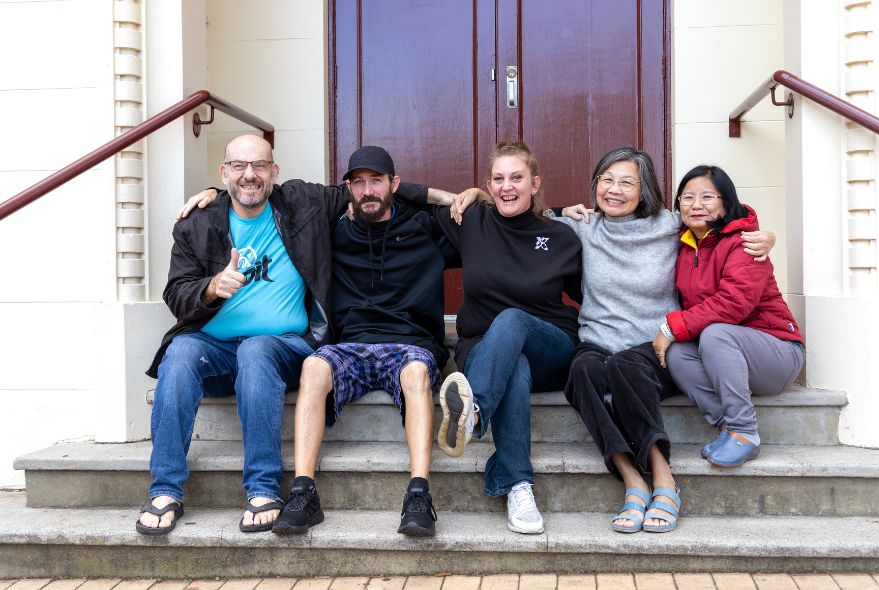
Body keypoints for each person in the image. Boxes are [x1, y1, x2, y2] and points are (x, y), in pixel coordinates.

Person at [142, 136, 444, 535]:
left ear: (274, 171)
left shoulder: (303, 203)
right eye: (239, 167)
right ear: (224, 172)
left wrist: (449, 196)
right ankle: (165, 490)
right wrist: (211, 287)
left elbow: (370, 190)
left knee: (256, 349)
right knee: (178, 353)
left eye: (259, 166)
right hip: (213, 346)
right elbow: (176, 294)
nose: (249, 175)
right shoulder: (197, 223)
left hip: (283, 346)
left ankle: (263, 489)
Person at [552, 147, 775, 534]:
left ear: (645, 190)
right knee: (582, 372)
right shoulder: (584, 225)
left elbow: (722, 215)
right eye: (607, 180)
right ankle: (631, 478)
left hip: (656, 346)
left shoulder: (671, 225)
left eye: (627, 182)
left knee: (626, 368)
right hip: (598, 339)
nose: (614, 190)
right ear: (595, 185)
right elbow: (525, 211)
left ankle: (662, 475)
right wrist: (556, 209)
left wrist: (764, 234)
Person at [270, 146, 461, 537]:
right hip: (352, 345)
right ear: (348, 188)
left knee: (414, 373)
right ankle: (304, 492)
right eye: (359, 182)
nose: (367, 190)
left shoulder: (426, 227)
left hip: (411, 344)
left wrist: (461, 195)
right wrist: (210, 195)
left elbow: (497, 215)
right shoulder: (332, 231)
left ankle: (419, 493)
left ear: (395, 184)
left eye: (377, 180)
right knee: (314, 364)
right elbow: (260, 194)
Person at [434, 141, 583, 535]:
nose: (506, 187)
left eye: (516, 178)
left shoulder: (562, 235)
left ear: (535, 183)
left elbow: (594, 294)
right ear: (487, 184)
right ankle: (519, 486)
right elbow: (399, 195)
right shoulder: (472, 221)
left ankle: (474, 410)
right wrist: (461, 195)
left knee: (514, 320)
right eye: (497, 179)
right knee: (511, 367)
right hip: (483, 348)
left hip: (549, 345)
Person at [653, 164, 804, 469]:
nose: (696, 205)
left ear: (725, 203)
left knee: (714, 333)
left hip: (778, 353)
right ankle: (728, 426)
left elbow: (734, 305)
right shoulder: (685, 244)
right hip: (726, 353)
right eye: (687, 197)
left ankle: (745, 431)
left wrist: (670, 326)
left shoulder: (745, 242)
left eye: (707, 197)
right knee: (679, 352)